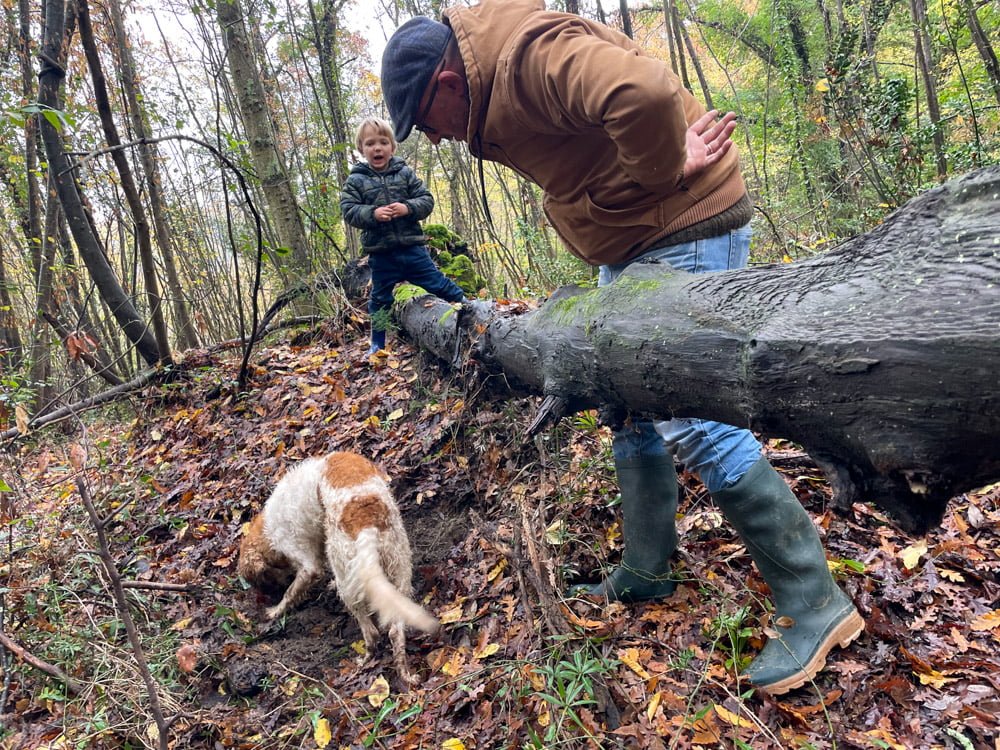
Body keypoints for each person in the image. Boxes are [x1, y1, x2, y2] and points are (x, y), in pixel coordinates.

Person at [379, 1, 864, 695]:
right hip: (641, 239)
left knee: (694, 418)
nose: (434, 136)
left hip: (685, 225)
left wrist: (665, 167)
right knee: (622, 396)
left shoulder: (527, 57)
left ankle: (816, 601)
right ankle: (647, 567)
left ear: (447, 84)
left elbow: (643, 92)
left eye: (427, 121)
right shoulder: (491, 85)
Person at [340, 117, 466, 354]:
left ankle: (470, 308)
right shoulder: (356, 180)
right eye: (370, 144)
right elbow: (348, 210)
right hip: (382, 254)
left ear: (392, 147)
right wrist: (373, 214)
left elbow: (426, 200)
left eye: (383, 142)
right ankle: (377, 344)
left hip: (412, 248)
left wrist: (407, 208)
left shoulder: (404, 173)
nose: (377, 148)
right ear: (361, 149)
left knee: (438, 283)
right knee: (379, 300)